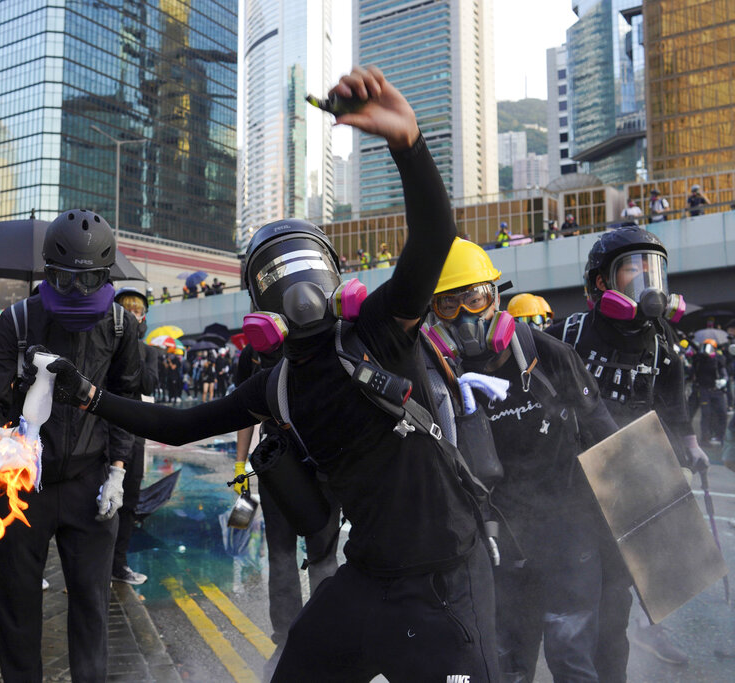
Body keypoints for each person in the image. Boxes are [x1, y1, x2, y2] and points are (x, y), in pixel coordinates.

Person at [37, 66, 499, 682]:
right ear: (258, 310)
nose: (298, 291)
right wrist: (90, 397)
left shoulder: (382, 328)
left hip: (449, 582)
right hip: (367, 578)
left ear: (338, 278)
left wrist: (406, 142)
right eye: (274, 280)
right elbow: (179, 425)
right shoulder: (275, 383)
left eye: (307, 268)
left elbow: (435, 235)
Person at [428, 238, 618, 683]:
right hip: (496, 538)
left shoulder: (549, 354)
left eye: (474, 297)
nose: (467, 315)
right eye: (449, 304)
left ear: (495, 296)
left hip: (567, 528)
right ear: (433, 314)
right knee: (506, 662)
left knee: (570, 654)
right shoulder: (438, 378)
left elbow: (605, 433)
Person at [0, 209, 142, 682]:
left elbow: (126, 402)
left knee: (91, 602)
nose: (78, 291)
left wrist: (119, 472)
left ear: (105, 276)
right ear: (49, 272)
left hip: (91, 481)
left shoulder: (122, 328)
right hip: (24, 483)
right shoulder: (16, 321)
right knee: (16, 600)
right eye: (66, 279)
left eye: (89, 279)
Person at [547, 226, 710, 677]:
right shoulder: (570, 333)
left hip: (632, 481)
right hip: (574, 483)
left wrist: (691, 446)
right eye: (631, 272)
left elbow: (673, 403)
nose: (645, 284)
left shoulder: (661, 342)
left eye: (651, 271)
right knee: (578, 597)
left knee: (617, 600)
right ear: (601, 283)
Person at [231, 345, 340, 680]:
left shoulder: (329, 338)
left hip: (322, 459)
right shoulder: (253, 351)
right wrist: (240, 461)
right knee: (280, 554)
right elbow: (243, 411)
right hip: (276, 460)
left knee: (323, 555)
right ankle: (286, 641)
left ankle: (329, 638)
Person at [111, 287, 159, 585]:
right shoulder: (104, 345)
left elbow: (149, 384)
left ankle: (119, 563)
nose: (132, 315)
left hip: (135, 431)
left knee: (129, 500)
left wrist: (132, 349)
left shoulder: (148, 351)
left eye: (137, 311)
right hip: (102, 429)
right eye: (126, 310)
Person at [692, 338, 727, 445]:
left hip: (717, 391)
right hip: (704, 390)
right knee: (706, 414)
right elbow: (693, 368)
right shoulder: (699, 359)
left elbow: (724, 371)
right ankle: (705, 438)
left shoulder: (718, 358)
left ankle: (720, 436)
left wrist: (723, 381)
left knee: (721, 413)